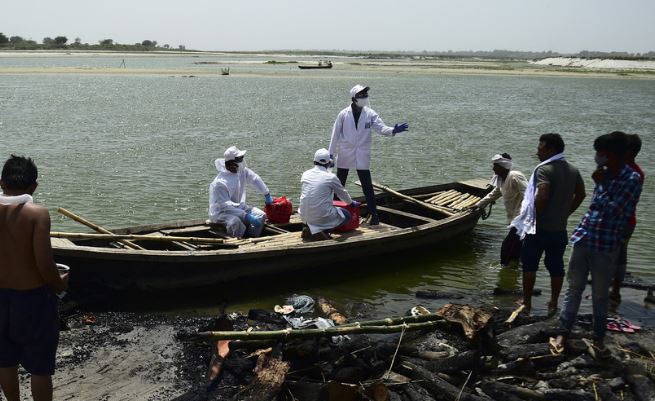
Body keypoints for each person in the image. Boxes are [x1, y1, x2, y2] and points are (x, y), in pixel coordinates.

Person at [552, 131, 643, 357]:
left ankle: (598, 337)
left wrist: (602, 185)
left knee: (600, 294)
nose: (598, 157)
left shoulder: (631, 178)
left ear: (616, 155)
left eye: (602, 154)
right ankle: (563, 332)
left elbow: (615, 211)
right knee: (573, 289)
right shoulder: (603, 174)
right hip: (584, 237)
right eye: (598, 153)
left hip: (606, 244)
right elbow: (594, 209)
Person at [0, 155, 68, 401]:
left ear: (1, 182)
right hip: (32, 300)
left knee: (5, 362)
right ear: (34, 186)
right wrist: (61, 286)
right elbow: (45, 265)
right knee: (40, 367)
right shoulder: (37, 214)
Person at [510, 133, 585, 315]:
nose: (538, 151)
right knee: (556, 267)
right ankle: (553, 303)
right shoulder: (573, 170)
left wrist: (534, 217)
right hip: (559, 229)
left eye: (540, 148)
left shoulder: (544, 170)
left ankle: (527, 302)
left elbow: (542, 194)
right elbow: (581, 194)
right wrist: (565, 213)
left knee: (529, 266)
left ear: (551, 150)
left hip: (539, 228)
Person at [328, 84, 408, 225]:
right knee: (339, 185)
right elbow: (335, 135)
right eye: (361, 96)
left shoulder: (370, 113)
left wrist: (393, 130)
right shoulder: (343, 114)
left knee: (367, 186)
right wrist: (330, 155)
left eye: (365, 95)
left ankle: (374, 215)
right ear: (354, 98)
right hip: (346, 152)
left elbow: (381, 128)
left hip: (362, 153)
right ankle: (334, 213)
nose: (364, 98)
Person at [208, 146, 274, 238]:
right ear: (231, 163)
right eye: (239, 159)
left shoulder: (241, 171)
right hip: (221, 213)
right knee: (235, 222)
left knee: (261, 215)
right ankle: (238, 241)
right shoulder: (220, 183)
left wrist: (266, 194)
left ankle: (252, 238)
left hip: (239, 207)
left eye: (242, 158)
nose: (242, 161)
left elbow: (255, 179)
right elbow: (226, 207)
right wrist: (246, 216)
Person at [476, 153, 528, 267]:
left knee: (506, 246)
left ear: (503, 166)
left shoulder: (514, 176)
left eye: (495, 165)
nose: (493, 168)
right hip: (513, 219)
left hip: (522, 219)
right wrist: (478, 205)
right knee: (515, 250)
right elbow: (493, 194)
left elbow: (529, 194)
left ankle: (503, 269)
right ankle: (513, 275)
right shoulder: (501, 180)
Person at [610, 134, 644, 302]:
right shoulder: (632, 171)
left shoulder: (631, 173)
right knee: (619, 254)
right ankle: (614, 289)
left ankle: (615, 290)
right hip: (628, 221)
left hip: (621, 221)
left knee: (617, 254)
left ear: (628, 151)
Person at [298, 149, 360, 241]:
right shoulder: (331, 177)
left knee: (318, 211)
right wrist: (351, 203)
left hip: (303, 215)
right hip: (320, 216)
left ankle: (310, 228)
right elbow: (342, 193)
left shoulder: (305, 174)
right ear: (329, 163)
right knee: (347, 215)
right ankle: (322, 231)